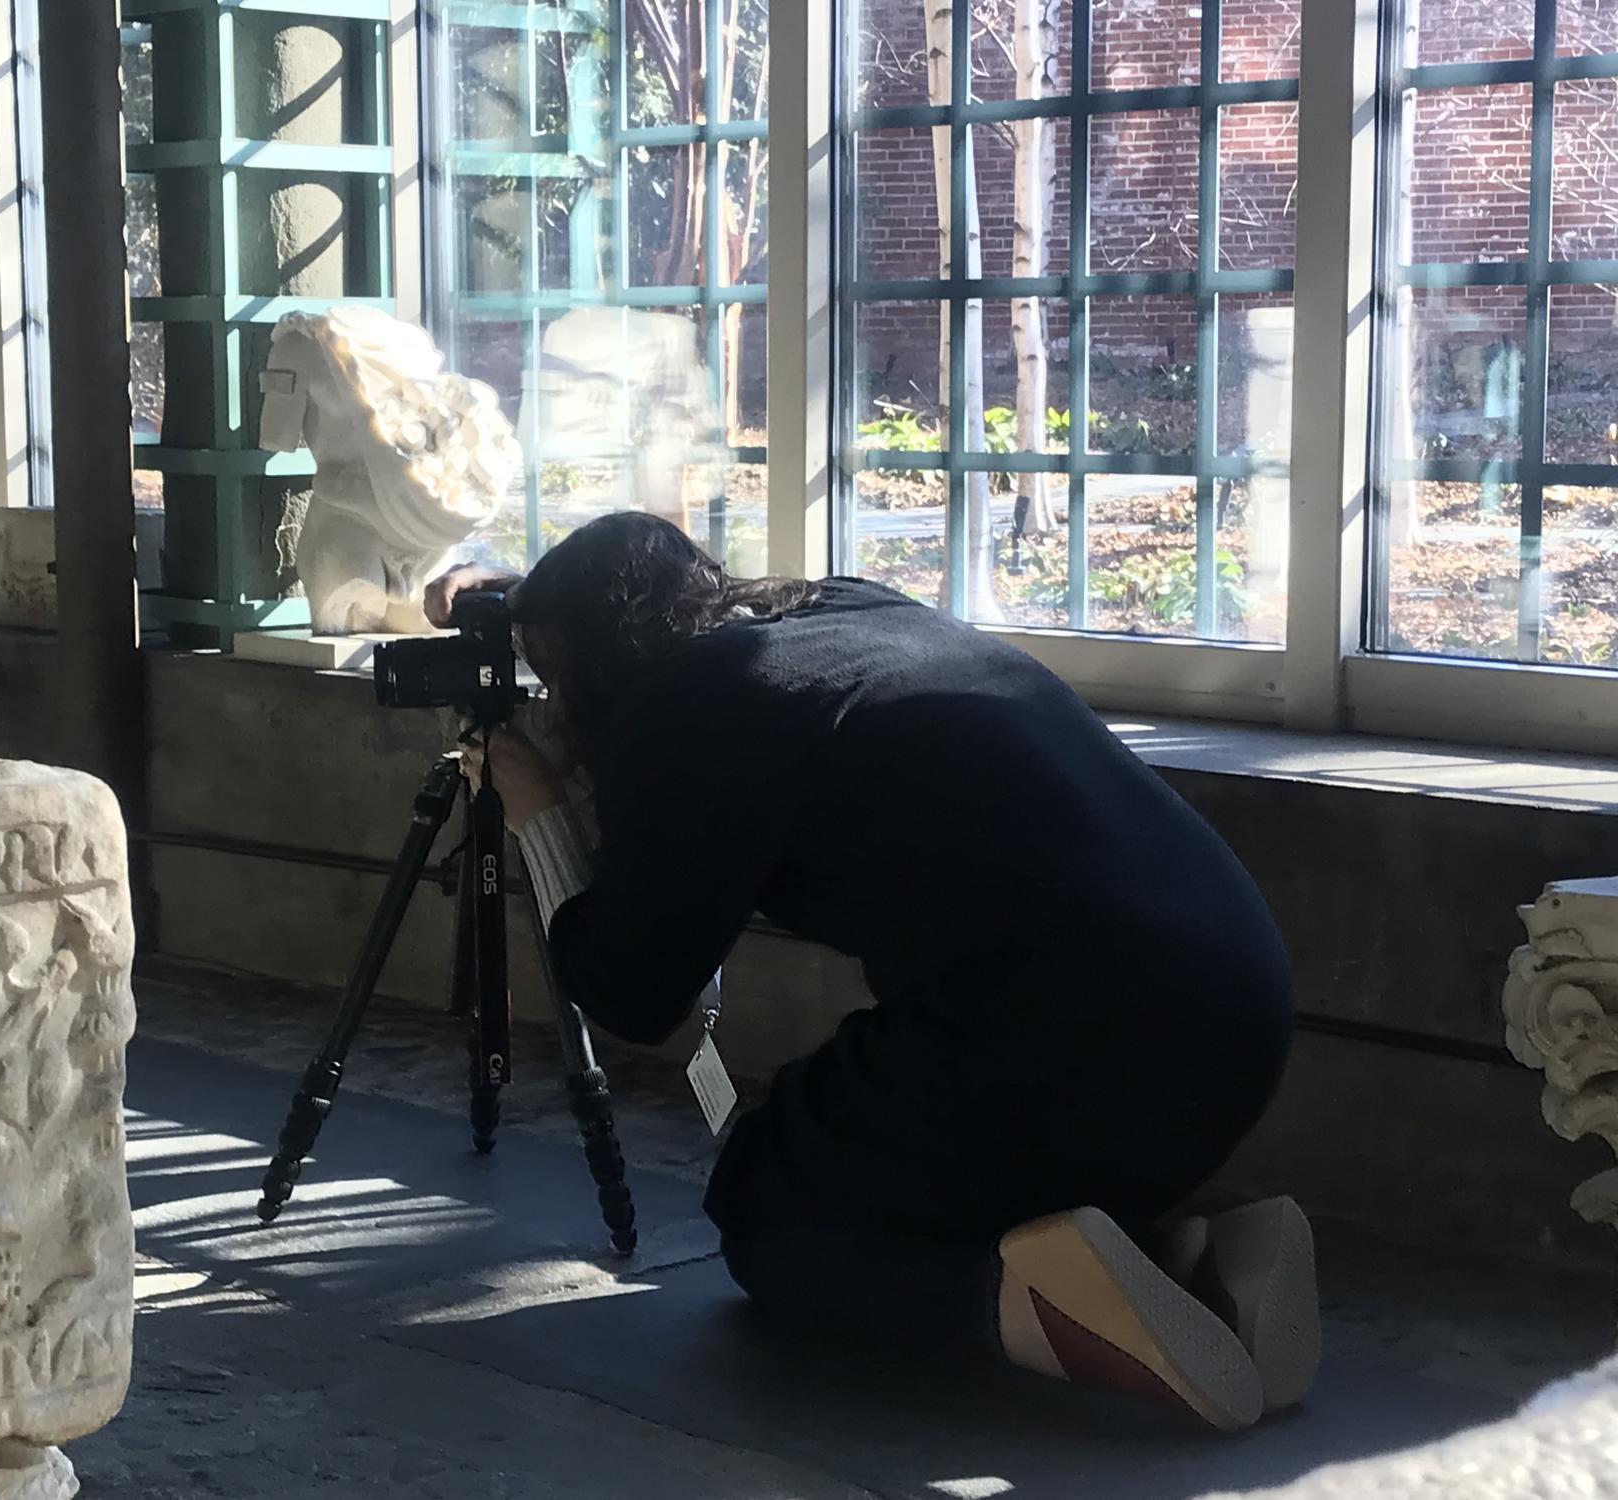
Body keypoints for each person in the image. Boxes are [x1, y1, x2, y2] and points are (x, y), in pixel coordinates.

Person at [427, 513, 1316, 1432]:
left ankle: (1040, 1311)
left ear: (595, 667)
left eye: (553, 674)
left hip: (1079, 1040)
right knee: (915, 1145)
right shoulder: (849, 608)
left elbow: (630, 990)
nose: (550, 701)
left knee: (768, 1210)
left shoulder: (688, 708)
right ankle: (1200, 1268)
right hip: (1238, 1012)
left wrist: (537, 812)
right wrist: (502, 590)